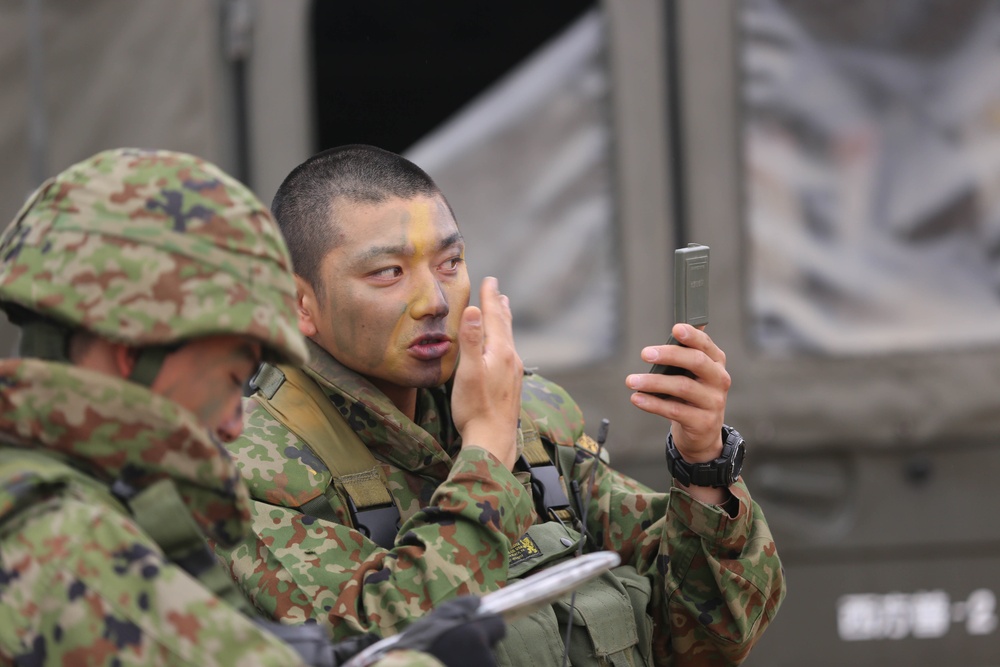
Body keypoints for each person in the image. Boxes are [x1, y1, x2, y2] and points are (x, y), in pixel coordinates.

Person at [216, 144, 785, 666]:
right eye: (388, 273)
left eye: (450, 263)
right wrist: (487, 451)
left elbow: (706, 637)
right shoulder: (252, 472)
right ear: (298, 304)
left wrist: (703, 462)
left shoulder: (531, 418)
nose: (434, 301)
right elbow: (371, 643)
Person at [0, 148, 506, 667]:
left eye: (449, 262)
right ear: (131, 357)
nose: (236, 420)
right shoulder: (54, 538)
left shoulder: (88, 496)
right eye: (228, 376)